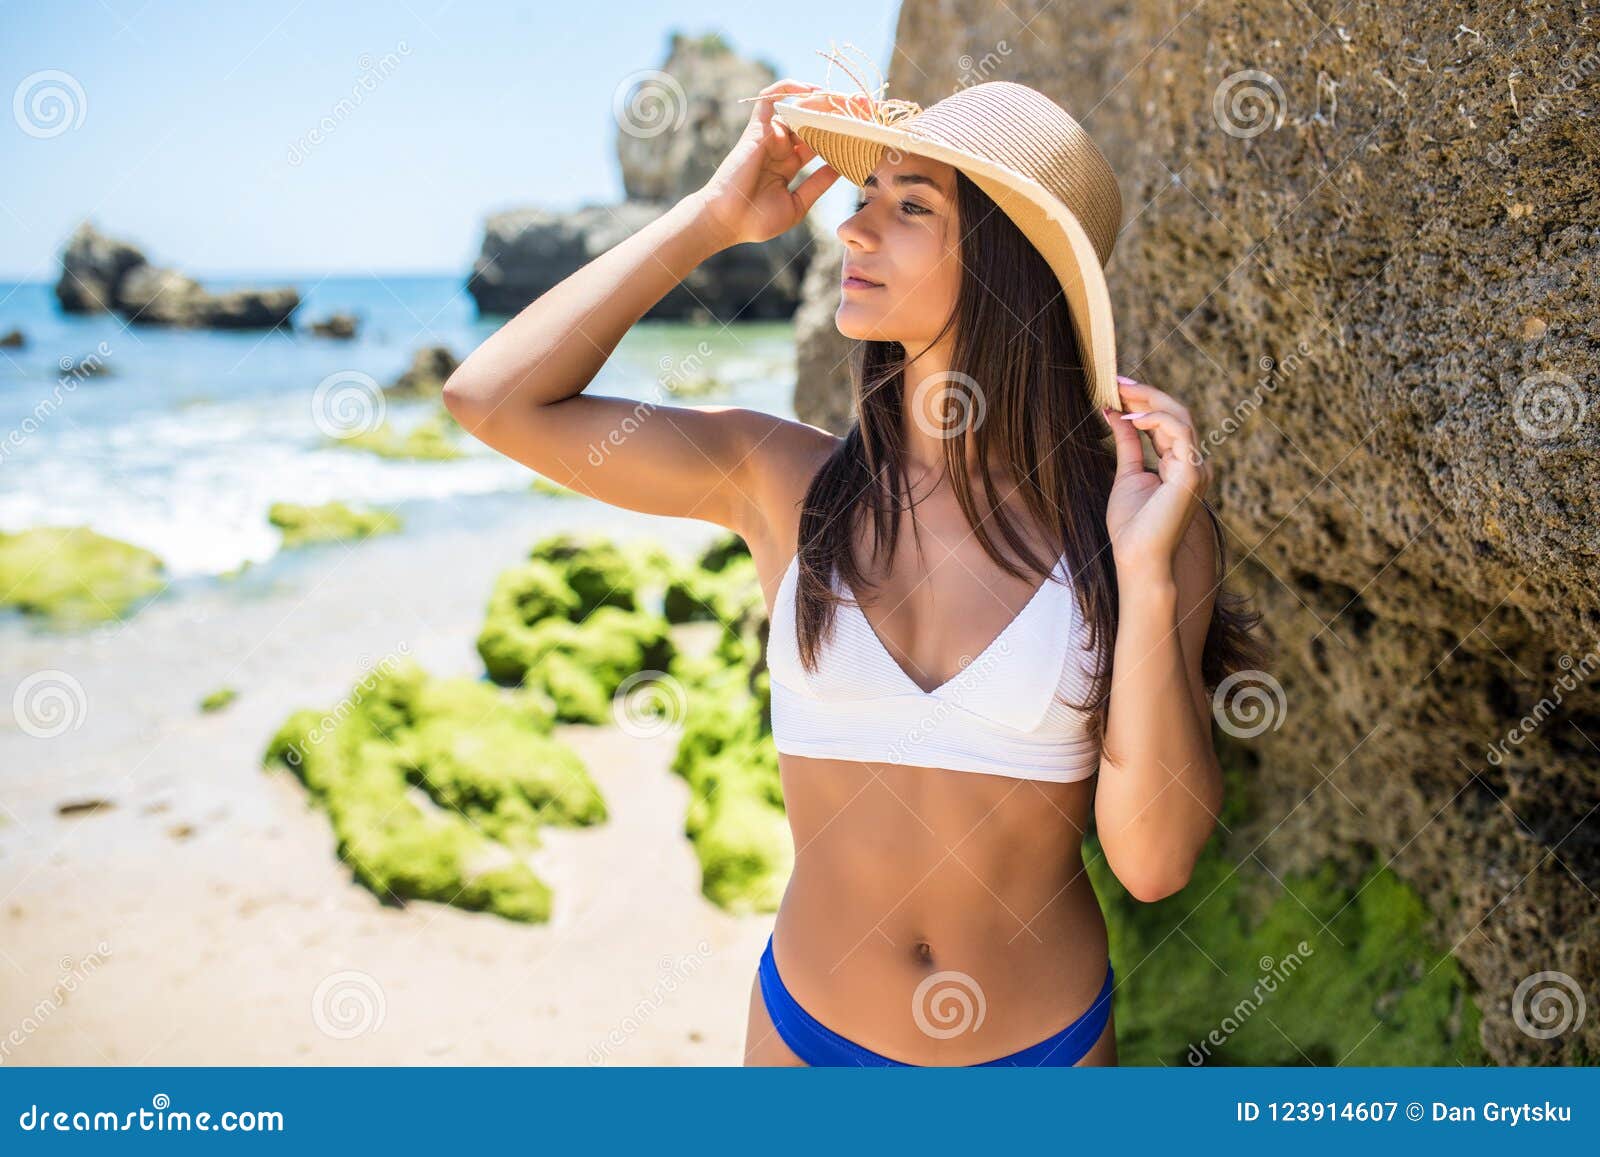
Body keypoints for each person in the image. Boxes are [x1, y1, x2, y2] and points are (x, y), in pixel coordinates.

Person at [444, 76, 1267, 1066]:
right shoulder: (776, 479)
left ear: (1010, 264)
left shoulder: (1138, 527)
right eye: (863, 196)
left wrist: (1146, 572)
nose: (852, 229)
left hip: (1038, 1057)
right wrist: (710, 219)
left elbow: (1154, 860)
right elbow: (493, 400)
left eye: (908, 204)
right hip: (805, 1038)